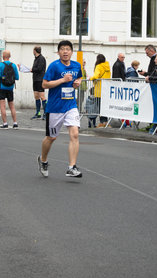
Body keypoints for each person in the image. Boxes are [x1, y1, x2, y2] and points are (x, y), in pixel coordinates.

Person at [37, 40, 83, 178]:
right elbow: (44, 85)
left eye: (67, 49)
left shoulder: (76, 65)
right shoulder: (54, 66)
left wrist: (77, 83)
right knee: (51, 137)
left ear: (71, 52)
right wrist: (62, 80)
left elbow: (79, 77)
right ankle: (43, 160)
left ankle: (72, 167)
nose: (65, 51)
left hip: (70, 105)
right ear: (58, 52)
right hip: (55, 107)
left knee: (74, 134)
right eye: (62, 49)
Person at [0, 50, 19, 129]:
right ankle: (15, 123)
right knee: (12, 106)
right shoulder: (14, 65)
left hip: (1, 87)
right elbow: (17, 77)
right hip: (10, 87)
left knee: (2, 105)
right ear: (10, 56)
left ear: (3, 56)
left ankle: (5, 123)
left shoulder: (0, 65)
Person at [90, 54, 111, 127]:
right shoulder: (107, 66)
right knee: (105, 106)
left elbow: (96, 76)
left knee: (100, 107)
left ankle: (102, 122)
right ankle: (106, 122)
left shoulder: (98, 66)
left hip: (99, 90)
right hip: (106, 89)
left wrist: (91, 78)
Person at [30, 46, 47, 119]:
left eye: (33, 50)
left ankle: (46, 113)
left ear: (35, 51)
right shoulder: (36, 59)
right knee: (36, 96)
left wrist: (32, 69)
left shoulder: (41, 58)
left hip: (40, 79)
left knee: (42, 96)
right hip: (35, 79)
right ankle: (38, 113)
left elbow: (39, 69)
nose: (33, 52)